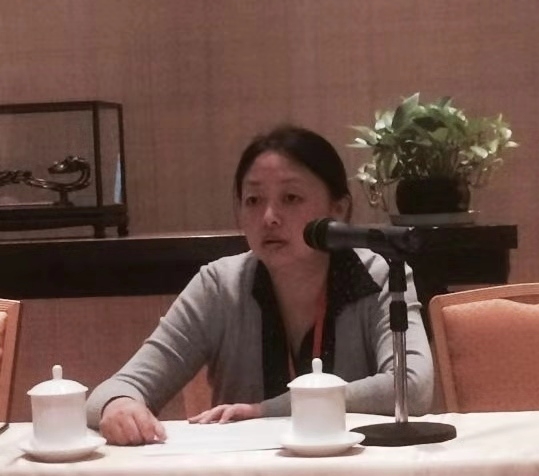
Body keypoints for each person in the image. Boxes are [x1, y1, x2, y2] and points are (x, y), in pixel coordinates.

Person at [86, 124, 434, 446]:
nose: (269, 217)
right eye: (253, 200)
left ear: (338, 209)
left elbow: (412, 387)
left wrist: (265, 410)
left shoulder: (378, 276)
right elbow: (116, 389)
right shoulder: (219, 286)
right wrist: (119, 405)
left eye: (291, 198)